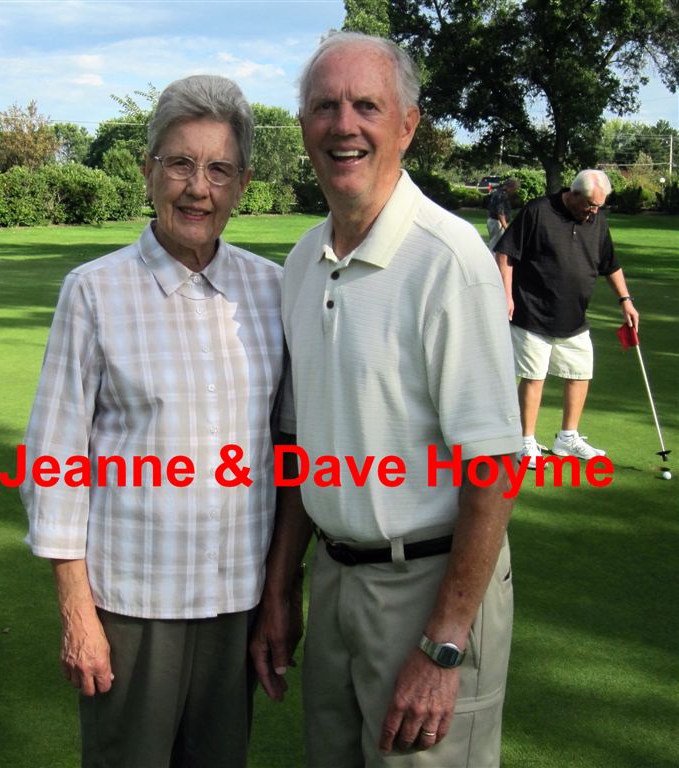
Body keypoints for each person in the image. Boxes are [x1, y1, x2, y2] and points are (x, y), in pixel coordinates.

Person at [250, 32, 522, 768]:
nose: (344, 125)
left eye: (366, 106)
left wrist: (444, 645)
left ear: (406, 125)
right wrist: (281, 588)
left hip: (431, 589)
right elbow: (300, 446)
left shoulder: (449, 259)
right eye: (324, 106)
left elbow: (495, 466)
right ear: (303, 126)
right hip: (334, 582)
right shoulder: (302, 262)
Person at [20, 75, 291, 768]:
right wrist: (78, 615)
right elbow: (54, 464)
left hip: (236, 605)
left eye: (219, 169)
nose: (198, 188)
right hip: (131, 607)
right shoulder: (94, 291)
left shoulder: (272, 290)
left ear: (242, 184)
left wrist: (279, 596)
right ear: (148, 171)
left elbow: (288, 452)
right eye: (180, 164)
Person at [495, 169, 639, 464]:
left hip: (574, 318)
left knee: (580, 373)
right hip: (532, 313)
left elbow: (610, 264)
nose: (594, 211)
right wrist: (506, 295)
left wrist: (625, 300)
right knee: (534, 377)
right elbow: (506, 253)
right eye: (590, 205)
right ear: (573, 195)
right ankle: (525, 441)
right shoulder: (538, 211)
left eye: (599, 206)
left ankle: (567, 438)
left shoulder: (597, 220)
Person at [486, 177, 520, 251]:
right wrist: (506, 227)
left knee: (495, 244)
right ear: (510, 187)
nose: (514, 191)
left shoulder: (499, 193)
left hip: (495, 222)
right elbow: (500, 213)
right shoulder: (501, 196)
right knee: (496, 245)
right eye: (514, 189)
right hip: (497, 223)